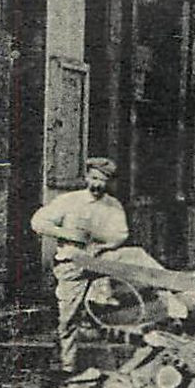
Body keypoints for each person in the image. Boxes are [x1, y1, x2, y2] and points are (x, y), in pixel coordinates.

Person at [30, 157, 130, 372]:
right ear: (86, 177)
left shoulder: (113, 206)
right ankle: (67, 366)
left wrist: (104, 245)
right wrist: (68, 233)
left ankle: (108, 366)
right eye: (94, 178)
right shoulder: (69, 201)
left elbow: (121, 234)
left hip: (101, 263)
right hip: (72, 264)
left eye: (103, 180)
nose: (97, 184)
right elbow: (38, 222)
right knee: (68, 316)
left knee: (111, 307)